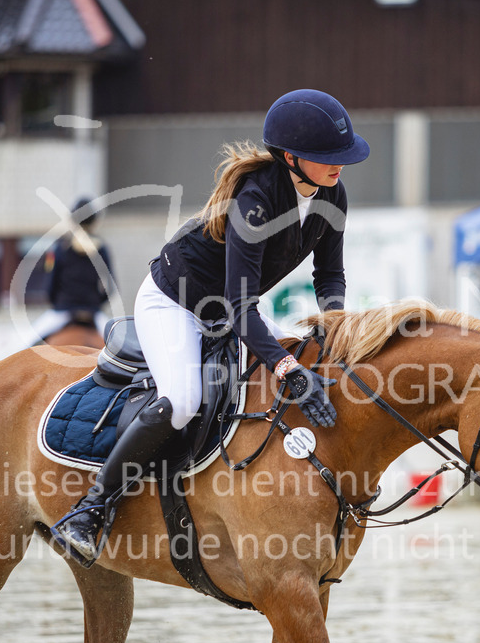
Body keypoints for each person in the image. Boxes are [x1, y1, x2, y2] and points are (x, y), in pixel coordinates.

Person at [52, 89, 370, 562]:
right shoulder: (257, 199)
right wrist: (285, 367)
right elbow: (244, 307)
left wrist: (335, 326)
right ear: (290, 158)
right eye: (326, 157)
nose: (339, 165)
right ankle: (91, 508)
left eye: (341, 155)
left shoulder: (333, 194)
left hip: (227, 310)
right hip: (174, 303)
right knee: (183, 400)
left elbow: (329, 274)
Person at [31, 198, 113, 343]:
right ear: (94, 220)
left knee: (26, 345)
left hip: (63, 310)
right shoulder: (102, 249)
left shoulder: (59, 248)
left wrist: (59, 303)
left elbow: (50, 286)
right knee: (120, 348)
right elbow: (111, 287)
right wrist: (95, 304)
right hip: (93, 312)